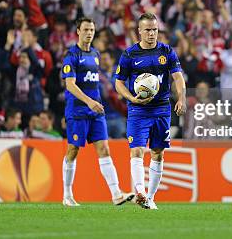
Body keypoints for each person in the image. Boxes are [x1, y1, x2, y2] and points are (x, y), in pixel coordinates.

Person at [114, 13, 186, 210]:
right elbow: (119, 83)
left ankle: (151, 197)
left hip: (162, 108)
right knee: (136, 150)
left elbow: (178, 78)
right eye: (147, 30)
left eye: (154, 29)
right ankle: (140, 191)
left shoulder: (167, 51)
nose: (152, 33)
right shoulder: (129, 54)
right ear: (139, 31)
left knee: (158, 153)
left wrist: (181, 97)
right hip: (138, 109)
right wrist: (131, 98)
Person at [61, 17, 134, 207]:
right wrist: (88, 101)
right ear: (78, 31)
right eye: (85, 30)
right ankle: (67, 195)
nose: (89, 33)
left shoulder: (95, 54)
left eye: (92, 30)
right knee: (73, 150)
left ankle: (116, 194)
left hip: (96, 111)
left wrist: (95, 103)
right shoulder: (71, 56)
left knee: (104, 148)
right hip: (78, 110)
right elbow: (69, 84)